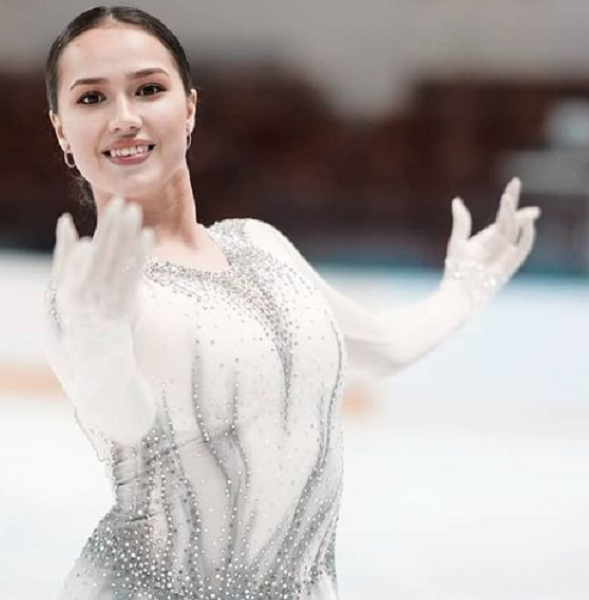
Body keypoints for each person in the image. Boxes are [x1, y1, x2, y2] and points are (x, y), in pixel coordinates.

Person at [39, 6, 540, 600]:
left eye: (148, 89)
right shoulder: (87, 295)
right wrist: (97, 339)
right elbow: (121, 418)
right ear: (62, 130)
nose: (125, 117)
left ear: (190, 107)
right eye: (92, 98)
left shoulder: (260, 243)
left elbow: (383, 348)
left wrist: (464, 287)